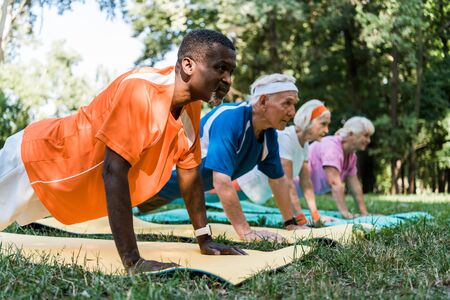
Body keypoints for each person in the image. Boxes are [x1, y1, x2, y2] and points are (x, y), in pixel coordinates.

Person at [0, 29, 246, 274]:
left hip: (63, 187)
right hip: (35, 161)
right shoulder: (141, 90)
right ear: (189, 65)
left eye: (230, 71)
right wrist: (132, 260)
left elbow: (189, 174)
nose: (228, 80)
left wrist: (205, 239)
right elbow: (113, 171)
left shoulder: (190, 108)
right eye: (221, 68)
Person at [139, 73, 307, 241]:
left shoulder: (269, 134)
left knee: (137, 207)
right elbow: (221, 181)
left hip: (172, 192)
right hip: (150, 179)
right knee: (118, 205)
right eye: (287, 103)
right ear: (263, 101)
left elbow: (278, 181)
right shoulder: (230, 118)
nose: (292, 112)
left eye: (294, 104)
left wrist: (290, 223)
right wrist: (246, 232)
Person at [237, 99, 335, 225]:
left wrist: (315, 216)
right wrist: (300, 219)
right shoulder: (286, 138)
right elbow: (287, 184)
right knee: (207, 195)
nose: (326, 130)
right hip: (244, 183)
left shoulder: (304, 144)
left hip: (257, 191)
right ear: (307, 121)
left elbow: (306, 183)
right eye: (323, 124)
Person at [304, 116, 375, 218]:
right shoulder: (331, 146)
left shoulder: (351, 156)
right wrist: (345, 213)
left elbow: (355, 185)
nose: (368, 140)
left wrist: (364, 213)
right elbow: (335, 183)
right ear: (351, 134)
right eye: (366, 135)